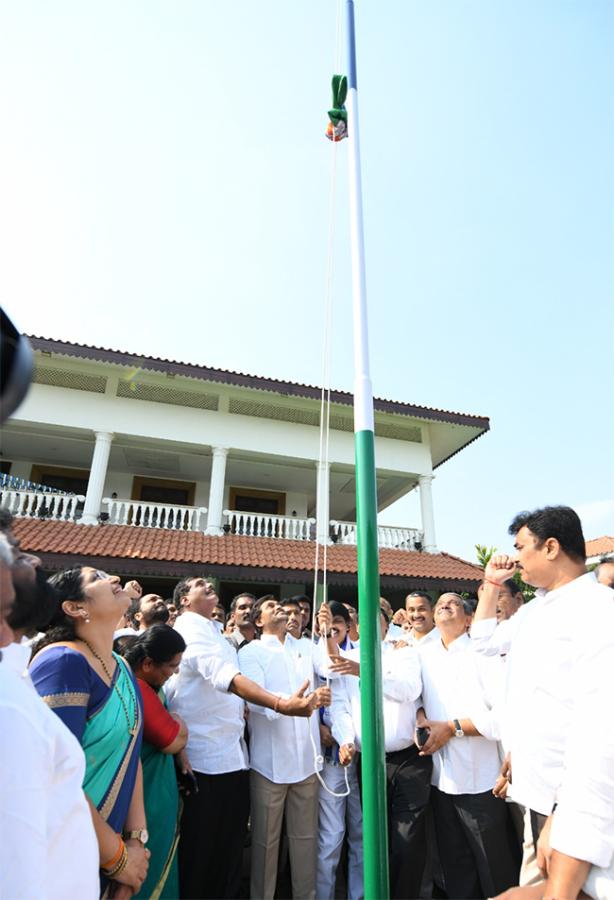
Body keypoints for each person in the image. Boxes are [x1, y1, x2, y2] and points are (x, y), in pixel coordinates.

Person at [472, 506, 614, 900]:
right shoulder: (534, 610)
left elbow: (600, 728)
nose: (515, 559)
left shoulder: (599, 609)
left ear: (550, 547)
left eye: (521, 548)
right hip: (536, 791)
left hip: (575, 805)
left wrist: (564, 812)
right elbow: (483, 641)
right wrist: (491, 582)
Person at [166, 576, 330, 900]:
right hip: (206, 760)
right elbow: (225, 677)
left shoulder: (217, 633)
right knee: (207, 853)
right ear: (184, 599)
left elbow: (330, 669)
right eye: (200, 583)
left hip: (234, 758)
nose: (210, 584)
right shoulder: (192, 631)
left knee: (229, 851)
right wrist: (282, 704)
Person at [29, 566, 150, 897]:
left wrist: (136, 843)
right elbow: (53, 776)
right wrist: (118, 859)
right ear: (75, 607)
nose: (114, 579)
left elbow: (131, 754)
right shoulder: (63, 663)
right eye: (97, 578)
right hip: (61, 856)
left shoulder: (122, 666)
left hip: (110, 856)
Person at [418, 592, 521, 898]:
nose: (444, 606)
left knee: (494, 866)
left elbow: (502, 716)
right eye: (440, 604)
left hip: (482, 780)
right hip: (442, 780)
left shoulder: (482, 654)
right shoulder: (423, 653)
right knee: (456, 867)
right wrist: (422, 718)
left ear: (467, 620)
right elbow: (415, 698)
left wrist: (452, 728)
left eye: (454, 603)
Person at [238, 595, 333, 900]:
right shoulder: (251, 652)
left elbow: (331, 668)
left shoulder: (306, 646)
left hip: (307, 761)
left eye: (282, 606)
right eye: (270, 607)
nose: (280, 609)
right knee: (266, 844)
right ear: (259, 621)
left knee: (305, 841)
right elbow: (257, 699)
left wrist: (326, 631)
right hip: (269, 764)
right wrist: (292, 704)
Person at [329, 608, 427, 899]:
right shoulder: (348, 658)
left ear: (387, 626)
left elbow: (409, 690)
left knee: (406, 839)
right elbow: (340, 707)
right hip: (368, 761)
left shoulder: (404, 654)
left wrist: (365, 672)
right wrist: (345, 739)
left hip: (407, 759)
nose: (372, 627)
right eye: (364, 622)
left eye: (378, 621)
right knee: (372, 837)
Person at [122, 625, 188, 899]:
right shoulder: (136, 687)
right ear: (148, 663)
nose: (174, 673)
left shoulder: (150, 685)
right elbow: (173, 739)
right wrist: (181, 724)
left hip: (157, 790)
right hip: (145, 798)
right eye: (171, 666)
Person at [315, 600, 363, 900]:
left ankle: (358, 895)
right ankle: (325, 895)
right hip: (334, 760)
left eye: (337, 627)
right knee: (331, 838)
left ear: (349, 626)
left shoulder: (361, 656)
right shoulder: (315, 651)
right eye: (328, 627)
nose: (332, 632)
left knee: (360, 834)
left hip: (361, 759)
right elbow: (330, 666)